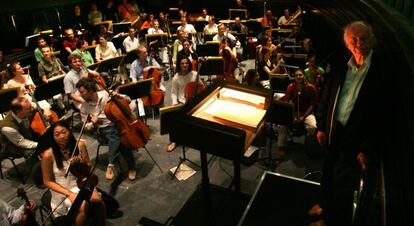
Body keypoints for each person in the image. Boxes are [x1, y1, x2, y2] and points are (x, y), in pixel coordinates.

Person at [310, 21, 384, 226]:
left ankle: (330, 220)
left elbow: (378, 116)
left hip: (356, 137)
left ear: (372, 40)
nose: (358, 43)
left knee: (343, 183)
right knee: (328, 170)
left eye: (363, 38)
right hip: (334, 129)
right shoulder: (342, 63)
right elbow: (326, 95)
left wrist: (366, 147)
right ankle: (324, 204)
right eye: (354, 39)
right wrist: (322, 126)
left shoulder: (379, 73)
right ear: (347, 43)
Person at [41, 121, 106, 225]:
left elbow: (88, 167)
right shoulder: (48, 155)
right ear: (52, 137)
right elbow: (47, 181)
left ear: (69, 131)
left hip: (80, 183)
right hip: (62, 190)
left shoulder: (80, 145)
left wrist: (80, 162)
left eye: (64, 132)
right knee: (83, 207)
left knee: (98, 201)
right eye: (57, 134)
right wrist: (69, 193)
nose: (62, 136)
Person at [76, 77, 137, 180]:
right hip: (103, 130)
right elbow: (86, 127)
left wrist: (117, 95)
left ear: (90, 90)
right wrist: (93, 123)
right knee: (120, 139)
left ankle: (111, 163)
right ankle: (131, 168)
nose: (80, 95)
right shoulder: (84, 107)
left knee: (118, 137)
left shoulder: (105, 94)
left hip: (118, 123)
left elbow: (129, 100)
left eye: (82, 92)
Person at [276, 68, 318, 156]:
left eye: (300, 75)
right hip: (293, 112)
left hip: (306, 113)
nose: (298, 77)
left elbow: (313, 105)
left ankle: (309, 145)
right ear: (294, 77)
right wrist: (293, 115)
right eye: (296, 75)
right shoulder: (290, 87)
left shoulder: (311, 88)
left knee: (313, 126)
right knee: (283, 125)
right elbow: (288, 102)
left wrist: (303, 117)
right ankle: (281, 146)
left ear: (304, 76)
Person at [167, 57, 198, 152]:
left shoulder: (195, 74)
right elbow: (173, 93)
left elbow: (200, 86)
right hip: (182, 102)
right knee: (174, 120)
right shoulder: (176, 78)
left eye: (186, 63)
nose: (185, 65)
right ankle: (174, 141)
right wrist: (174, 102)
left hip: (193, 101)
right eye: (182, 63)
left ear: (189, 64)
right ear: (179, 65)